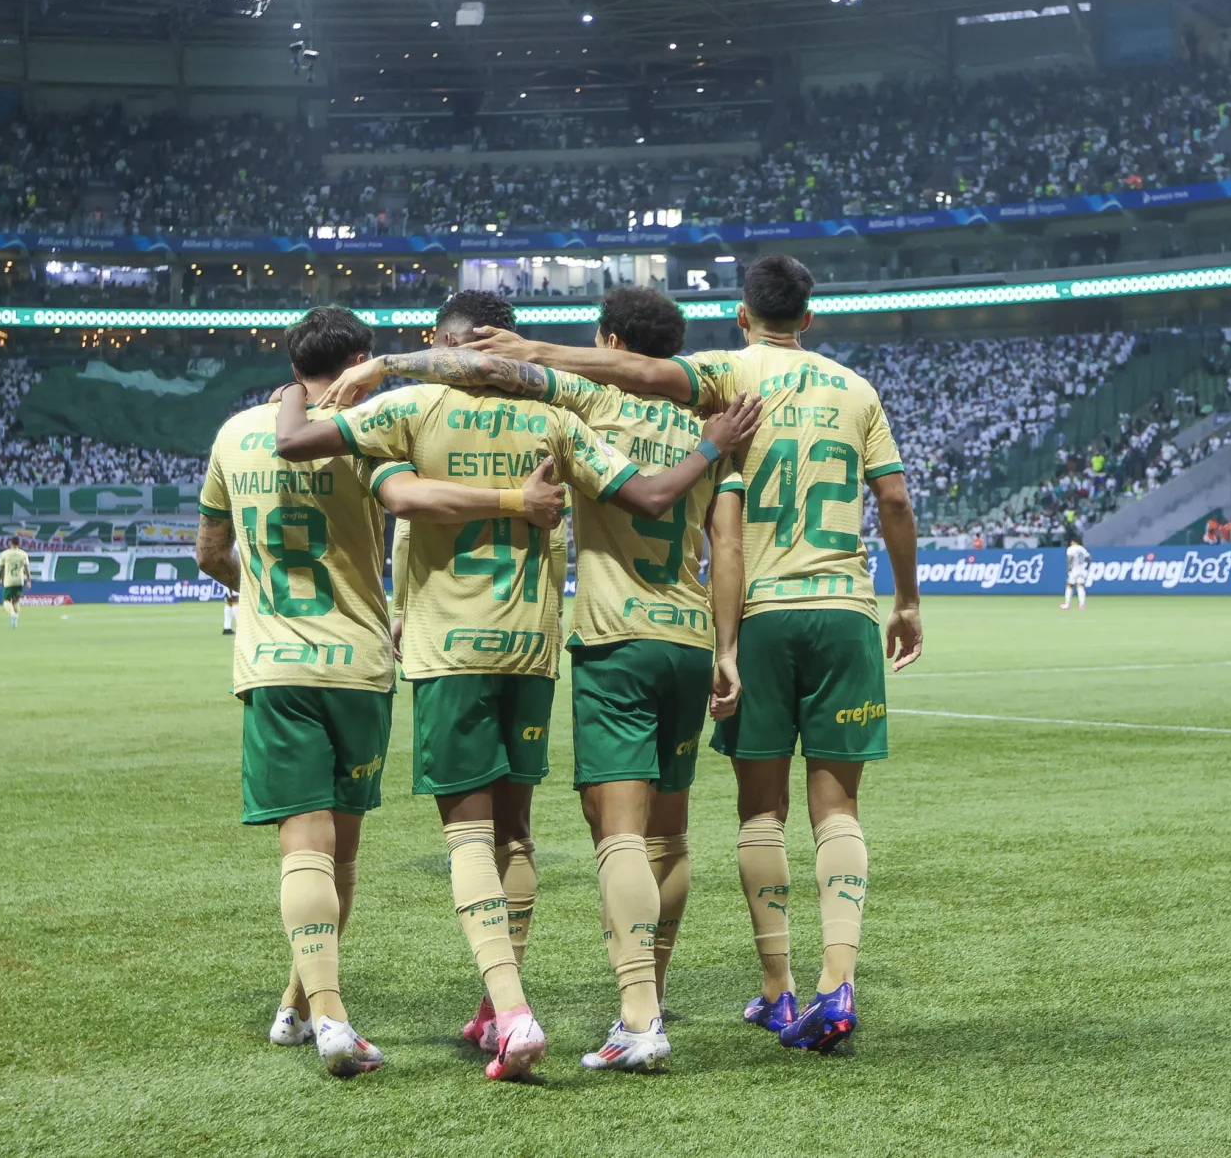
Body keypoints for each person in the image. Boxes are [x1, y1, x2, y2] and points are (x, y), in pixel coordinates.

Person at [274, 293, 759, 1083]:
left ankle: (513, 1007)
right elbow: (656, 498)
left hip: (458, 646)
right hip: (542, 647)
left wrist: (312, 383)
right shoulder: (558, 419)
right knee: (524, 834)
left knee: (473, 834)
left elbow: (303, 445)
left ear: (445, 345)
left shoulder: (415, 405)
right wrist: (709, 445)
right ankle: (577, 1002)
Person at [469, 253, 919, 1055]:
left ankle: (763, 991)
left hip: (743, 613)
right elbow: (893, 498)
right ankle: (835, 980)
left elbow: (639, 378)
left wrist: (532, 352)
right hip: (840, 607)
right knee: (838, 809)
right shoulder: (855, 390)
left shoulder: (723, 380)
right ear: (809, 316)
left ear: (742, 316)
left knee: (754, 813)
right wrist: (908, 600)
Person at [196, 306, 567, 1081]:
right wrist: (510, 501)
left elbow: (210, 551)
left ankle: (315, 1009)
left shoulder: (233, 435)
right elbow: (414, 500)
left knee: (305, 847)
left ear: (294, 363)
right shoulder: (372, 433)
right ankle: (315, 1009)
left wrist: (256, 590)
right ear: (362, 357)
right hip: (359, 662)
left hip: (274, 662)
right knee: (341, 850)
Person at [0, 535, 31, 626]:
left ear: (10, 543)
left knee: (6, 601)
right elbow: (26, 568)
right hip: (19, 580)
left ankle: (13, 614)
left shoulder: (5, 554)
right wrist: (29, 580)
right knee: (16, 601)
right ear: (19, 543)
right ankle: (15, 620)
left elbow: (1, 568)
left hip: (9, 581)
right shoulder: (23, 554)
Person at [1062, 529, 1090, 610]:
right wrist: (1086, 567)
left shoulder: (1071, 549)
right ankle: (1082, 604)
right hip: (1082, 569)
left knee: (1069, 585)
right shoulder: (1082, 549)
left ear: (1074, 542)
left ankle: (1067, 604)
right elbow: (1089, 558)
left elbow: (1070, 558)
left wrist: (1069, 567)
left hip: (1074, 569)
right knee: (1080, 585)